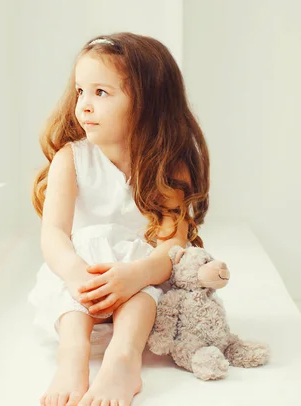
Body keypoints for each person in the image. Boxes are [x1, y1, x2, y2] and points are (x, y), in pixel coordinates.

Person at [28, 32, 210, 406]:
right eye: (81, 91)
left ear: (147, 103)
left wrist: (136, 275)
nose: (84, 106)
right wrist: (77, 274)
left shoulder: (167, 166)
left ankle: (123, 360)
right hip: (82, 284)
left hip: (139, 289)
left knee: (143, 279)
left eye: (101, 93)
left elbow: (171, 246)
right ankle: (72, 356)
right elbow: (54, 236)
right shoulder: (71, 159)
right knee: (75, 277)